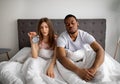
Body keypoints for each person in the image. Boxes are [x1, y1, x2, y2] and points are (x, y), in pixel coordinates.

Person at [56, 14, 105, 83]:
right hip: (70, 62)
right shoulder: (62, 38)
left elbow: (100, 49)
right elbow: (61, 57)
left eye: (72, 23)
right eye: (67, 24)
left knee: (99, 56)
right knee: (59, 62)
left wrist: (94, 69)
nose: (70, 25)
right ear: (65, 26)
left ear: (77, 23)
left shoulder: (84, 35)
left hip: (84, 58)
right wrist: (78, 71)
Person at [23, 17, 66, 84]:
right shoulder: (37, 38)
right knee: (32, 67)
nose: (44, 30)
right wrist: (32, 42)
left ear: (50, 28)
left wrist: (51, 67)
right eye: (41, 27)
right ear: (39, 29)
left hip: (50, 61)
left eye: (46, 27)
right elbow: (34, 56)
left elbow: (55, 55)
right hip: (39, 60)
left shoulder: (55, 39)